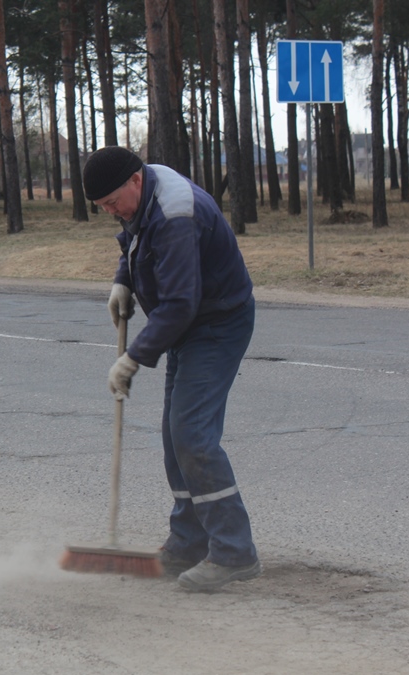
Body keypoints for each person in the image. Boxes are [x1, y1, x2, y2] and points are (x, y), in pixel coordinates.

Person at [83, 147, 261, 592]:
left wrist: (133, 358)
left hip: (217, 322)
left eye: (111, 203)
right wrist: (124, 278)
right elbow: (133, 236)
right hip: (189, 323)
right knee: (174, 438)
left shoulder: (176, 214)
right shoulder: (140, 194)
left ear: (136, 181)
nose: (111, 213)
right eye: (103, 207)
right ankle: (188, 542)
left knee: (193, 437)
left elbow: (181, 303)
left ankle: (234, 552)